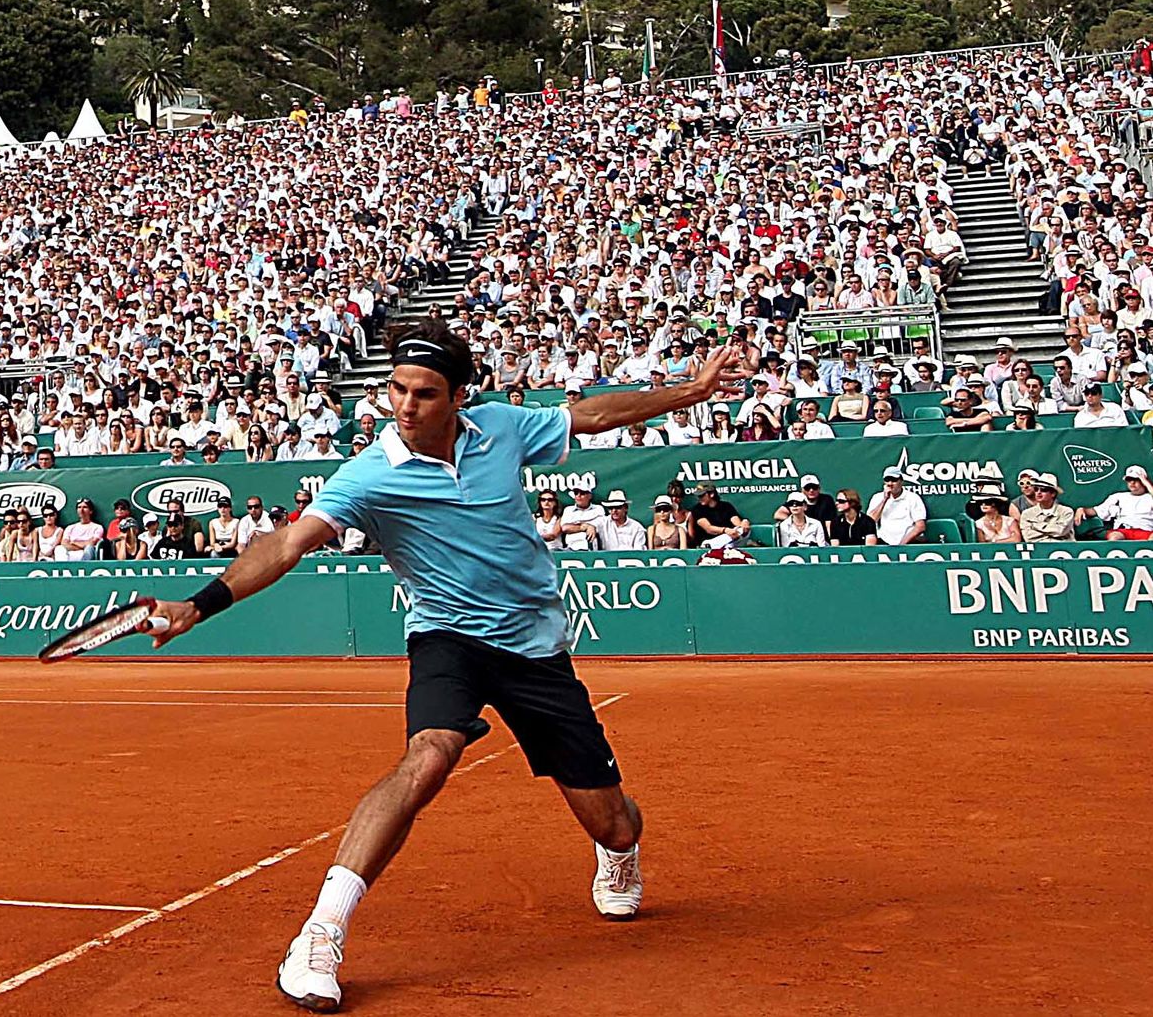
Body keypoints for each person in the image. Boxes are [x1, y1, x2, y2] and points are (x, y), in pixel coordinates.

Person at [141, 322, 746, 1011]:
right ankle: (320, 931)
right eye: (396, 388)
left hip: (535, 649)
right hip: (446, 639)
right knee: (428, 755)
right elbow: (287, 544)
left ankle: (618, 853)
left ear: (459, 396)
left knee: (615, 822)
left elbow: (590, 414)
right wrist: (199, 603)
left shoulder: (502, 427)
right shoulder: (371, 472)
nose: (404, 405)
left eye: (424, 393)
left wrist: (689, 392)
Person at [868, 469, 929, 546]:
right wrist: (885, 500)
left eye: (894, 480)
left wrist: (901, 545)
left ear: (901, 481)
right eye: (887, 480)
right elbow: (870, 522)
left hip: (909, 543)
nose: (890, 483)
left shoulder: (913, 498)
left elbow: (920, 526)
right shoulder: (877, 497)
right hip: (885, 542)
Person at [1094, 465, 1153, 540]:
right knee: (1114, 537)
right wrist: (1082, 509)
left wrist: (1146, 483)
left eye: (1136, 479)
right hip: (1123, 530)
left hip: (1145, 531)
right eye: (1129, 479)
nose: (1132, 482)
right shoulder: (1118, 496)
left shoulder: (1150, 497)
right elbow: (1096, 511)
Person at [1017, 473, 1080, 542]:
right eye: (1036, 489)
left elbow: (1061, 531)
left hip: (1065, 550)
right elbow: (1028, 537)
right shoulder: (1027, 514)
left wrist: (1035, 526)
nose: (1039, 492)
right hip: (1039, 550)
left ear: (1053, 493)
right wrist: (1053, 535)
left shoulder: (1066, 511)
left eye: (1043, 489)